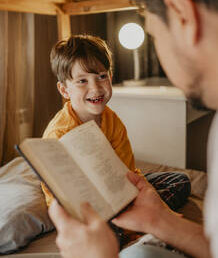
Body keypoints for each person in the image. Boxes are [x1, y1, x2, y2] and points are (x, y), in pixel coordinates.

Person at [42, 34, 191, 223]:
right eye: (82, 81)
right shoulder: (59, 133)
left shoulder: (112, 120)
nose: (95, 88)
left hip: (119, 189)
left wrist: (143, 192)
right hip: (85, 204)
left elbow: (128, 170)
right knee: (100, 224)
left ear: (110, 78)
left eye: (101, 76)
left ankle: (137, 215)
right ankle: (127, 224)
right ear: (64, 90)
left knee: (180, 181)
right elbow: (58, 192)